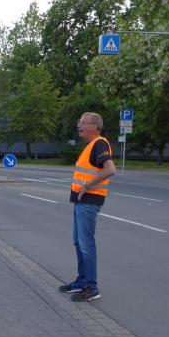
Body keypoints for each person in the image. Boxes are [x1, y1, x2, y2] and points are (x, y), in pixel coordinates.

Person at [59, 112, 116, 302]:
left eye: (83, 122)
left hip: (89, 201)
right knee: (78, 242)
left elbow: (110, 169)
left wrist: (87, 186)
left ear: (95, 126)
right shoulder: (90, 145)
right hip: (81, 201)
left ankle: (91, 287)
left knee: (86, 244)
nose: (79, 125)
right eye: (79, 122)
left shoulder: (99, 143)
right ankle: (82, 282)